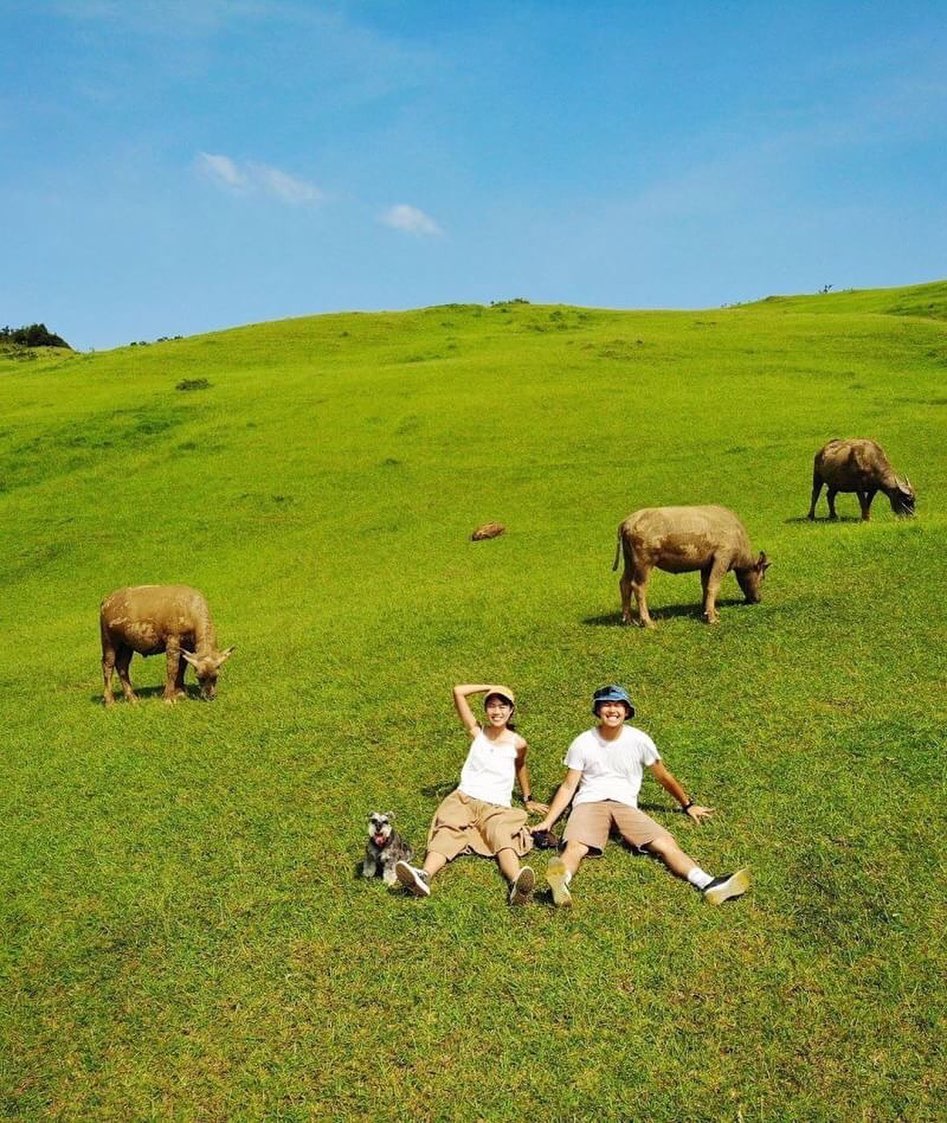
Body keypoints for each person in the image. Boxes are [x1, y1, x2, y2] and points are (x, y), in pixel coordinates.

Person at [531, 685, 749, 908]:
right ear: (597, 710)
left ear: (626, 711)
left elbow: (663, 777)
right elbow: (568, 787)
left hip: (625, 805)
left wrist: (687, 805)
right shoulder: (583, 742)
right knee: (576, 846)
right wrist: (548, 822)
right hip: (589, 803)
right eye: (606, 704)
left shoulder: (640, 740)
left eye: (618, 705)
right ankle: (561, 884)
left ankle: (709, 884)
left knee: (665, 843)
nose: (612, 710)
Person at [396, 684, 548, 905]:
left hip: (497, 805)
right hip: (464, 798)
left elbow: (521, 767)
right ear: (485, 710)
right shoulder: (477, 732)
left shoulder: (518, 742)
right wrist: (490, 685)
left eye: (502, 706)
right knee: (448, 830)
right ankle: (424, 876)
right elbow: (458, 691)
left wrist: (528, 798)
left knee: (501, 835)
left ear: (511, 710)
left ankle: (516, 883)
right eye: (491, 706)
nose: (497, 711)